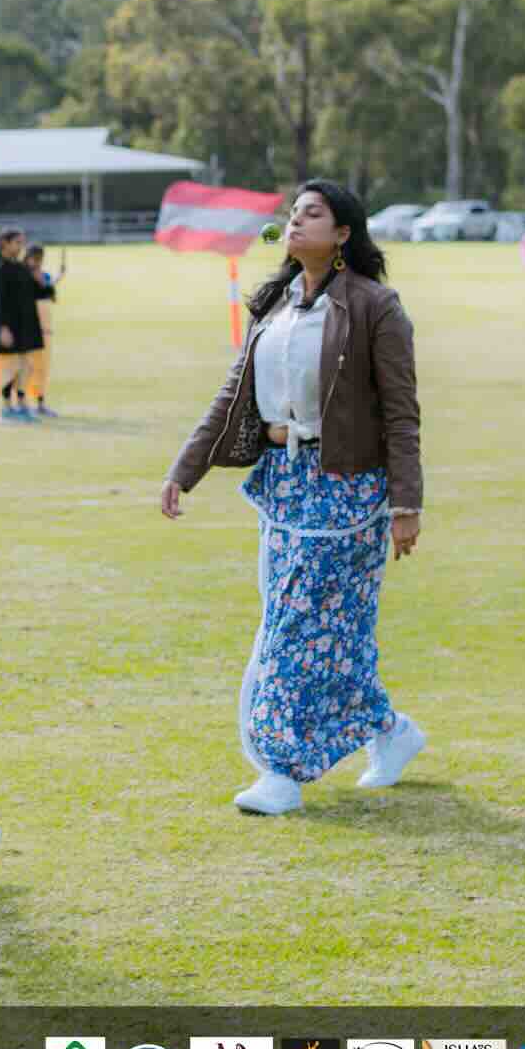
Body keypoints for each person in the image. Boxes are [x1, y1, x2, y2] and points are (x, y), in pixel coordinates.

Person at [159, 179, 425, 816]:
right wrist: (184, 469)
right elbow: (233, 395)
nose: (297, 222)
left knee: (296, 630)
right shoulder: (274, 304)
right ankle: (391, 733)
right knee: (324, 633)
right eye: (293, 213)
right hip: (284, 486)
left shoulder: (375, 306)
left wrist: (406, 505)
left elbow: (401, 413)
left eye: (313, 214)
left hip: (350, 493)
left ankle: (279, 770)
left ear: (342, 235)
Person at [0, 227, 44, 422]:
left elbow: (35, 293)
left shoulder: (20, 266)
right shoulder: (0, 268)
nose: (21, 247)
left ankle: (20, 405)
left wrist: (42, 282)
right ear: (5, 243)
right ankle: (6, 409)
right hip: (8, 324)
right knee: (10, 367)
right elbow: (1, 300)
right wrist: (3, 328)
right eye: (17, 243)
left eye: (22, 243)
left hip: (24, 323)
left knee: (24, 367)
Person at [22, 243, 65, 418]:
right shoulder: (21, 276)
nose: (38, 262)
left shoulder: (43, 275)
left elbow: (51, 296)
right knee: (26, 367)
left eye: (40, 258)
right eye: (35, 257)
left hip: (45, 329)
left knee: (42, 368)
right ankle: (22, 404)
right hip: (29, 327)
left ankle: (40, 404)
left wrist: (57, 278)